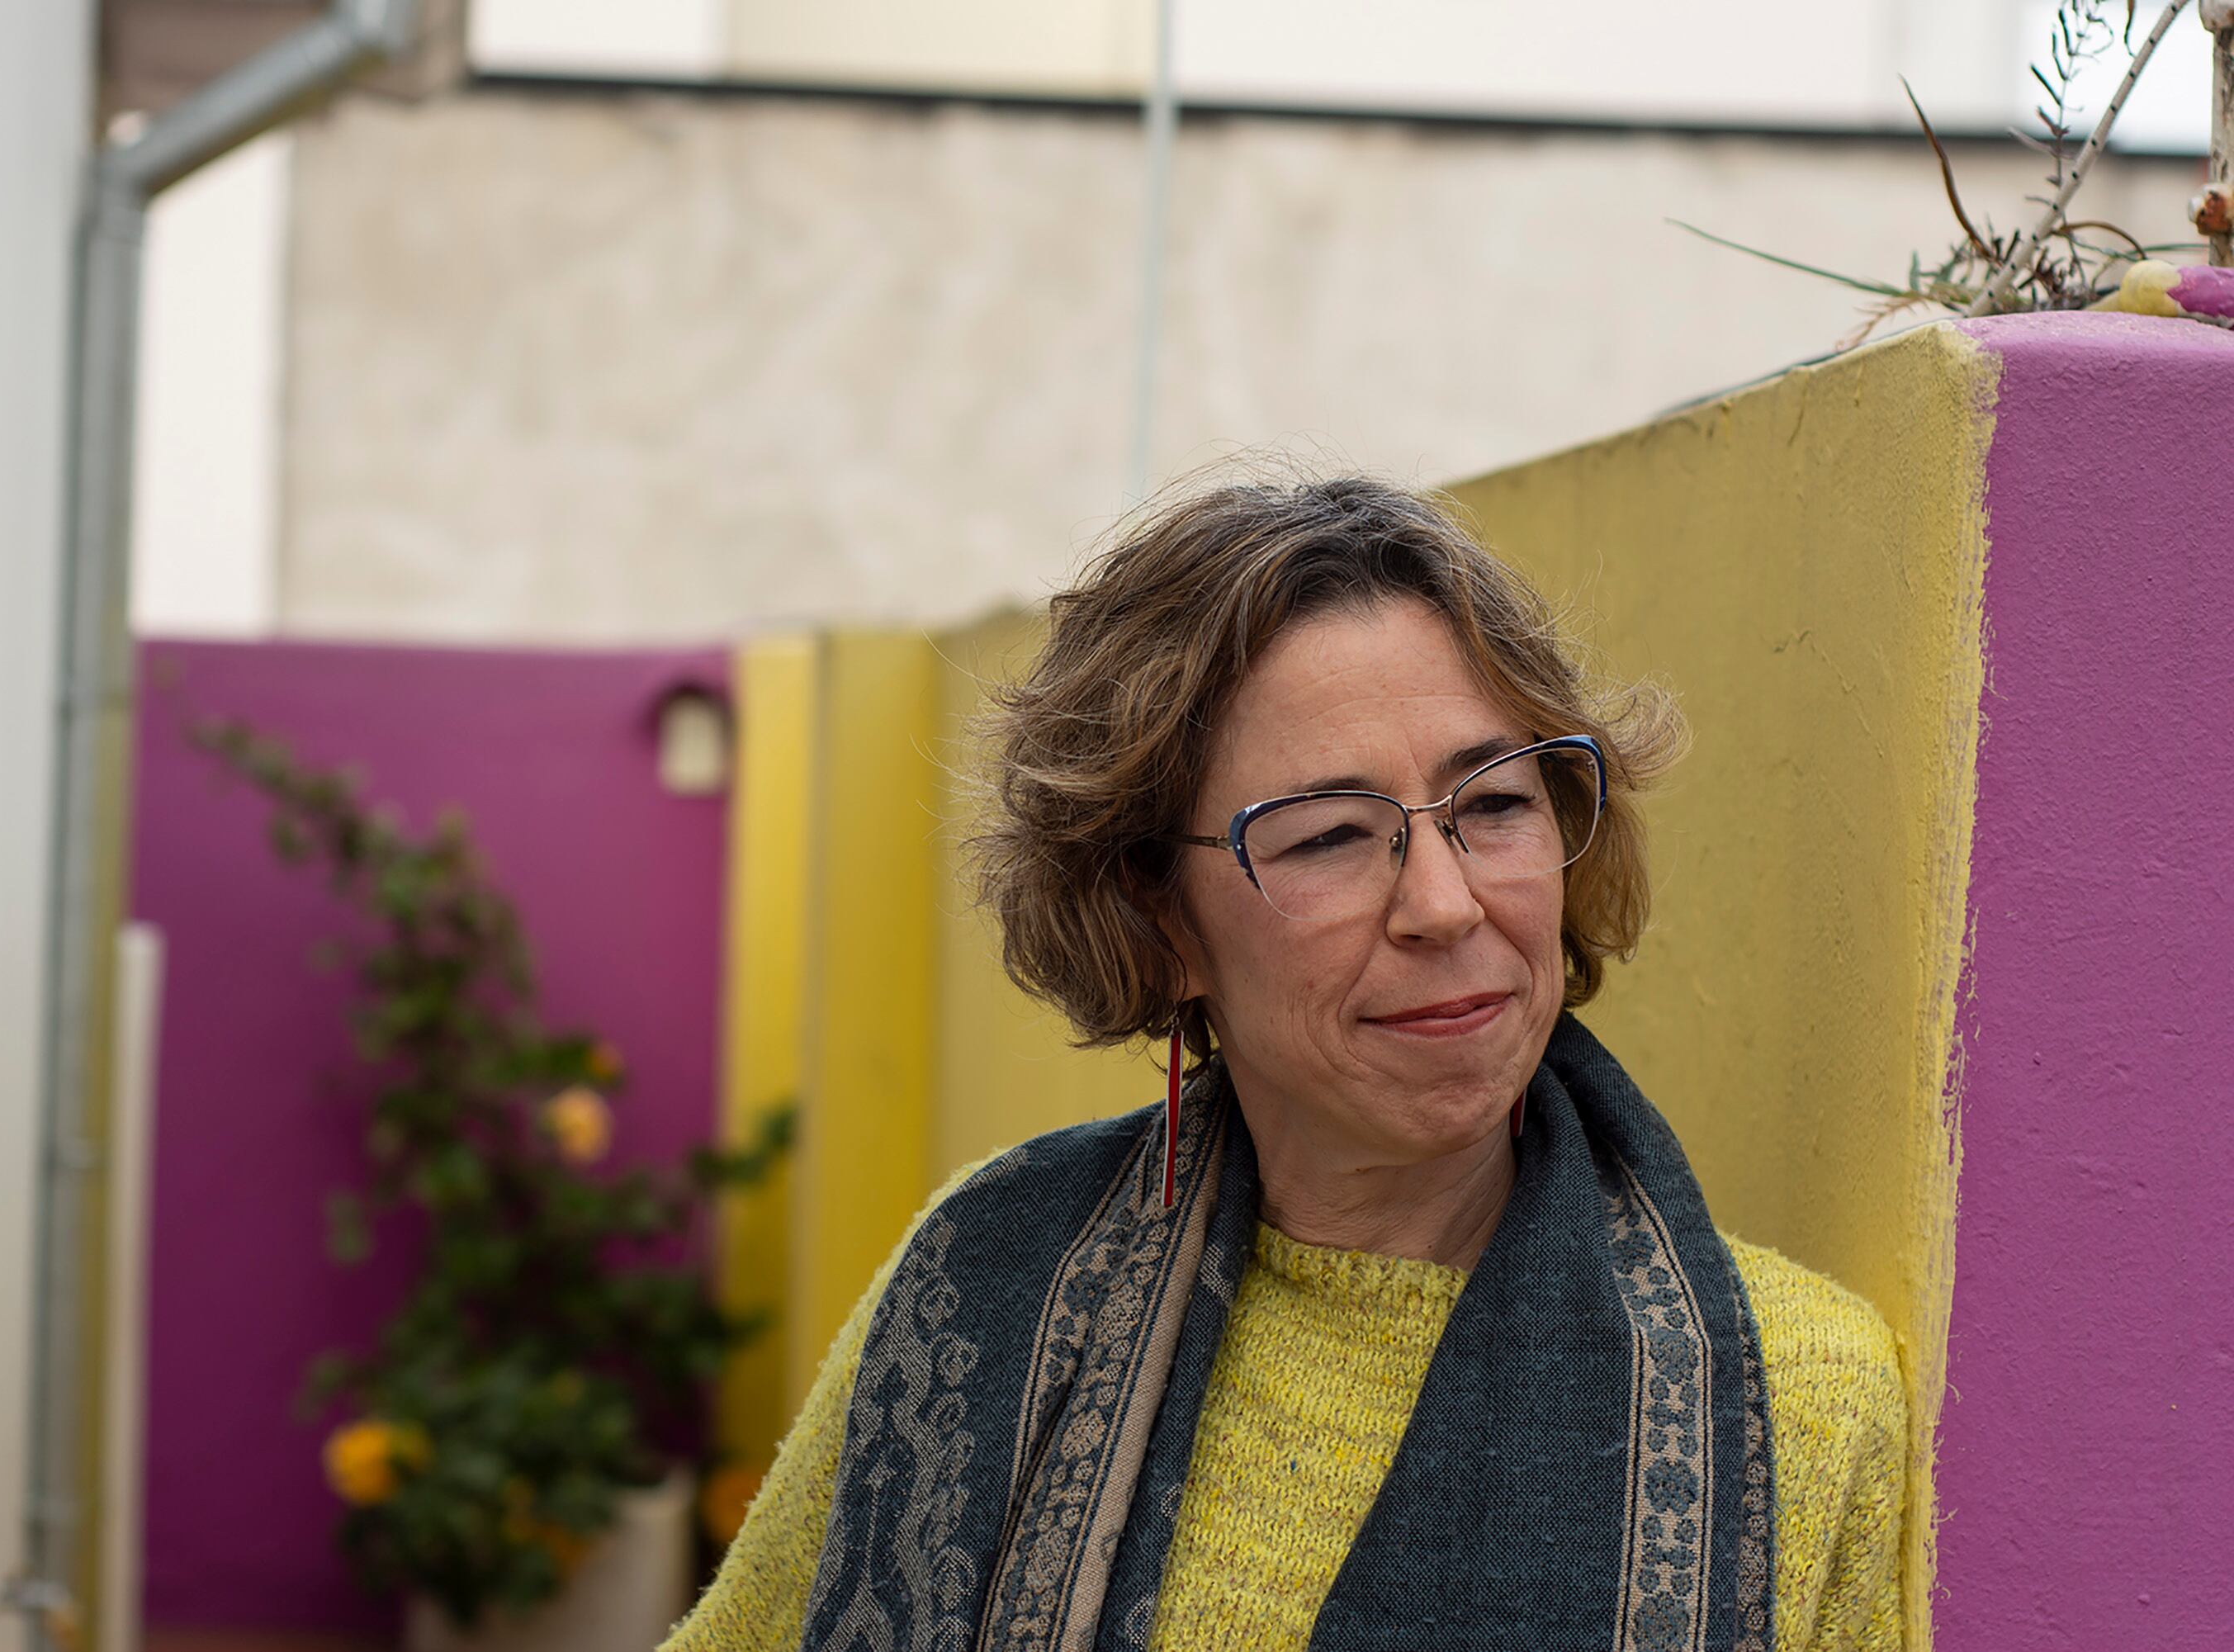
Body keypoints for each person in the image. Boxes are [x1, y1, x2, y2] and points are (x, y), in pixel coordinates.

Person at [664, 476, 1905, 1651]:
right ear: (1159, 918)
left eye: (1493, 805)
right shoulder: (982, 1283)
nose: (1445, 903)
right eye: (1328, 837)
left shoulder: (1790, 1402)